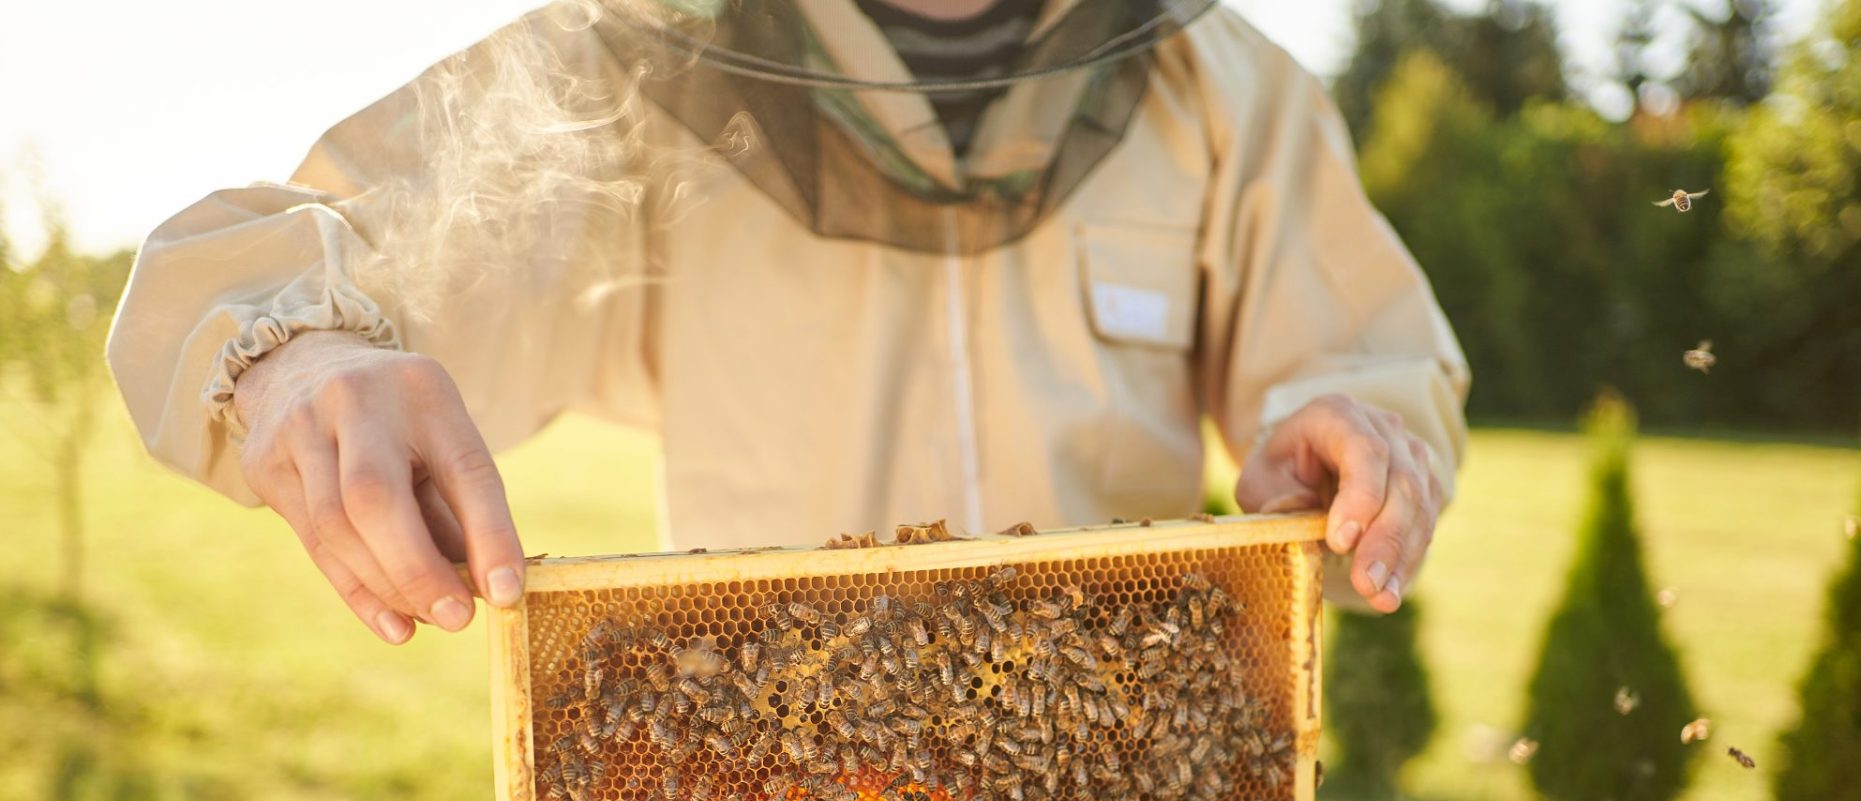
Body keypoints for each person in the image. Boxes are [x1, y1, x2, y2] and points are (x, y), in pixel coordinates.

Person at [107, 0, 1467, 646]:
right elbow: (261, 260)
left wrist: (1354, 442)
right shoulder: (634, 62)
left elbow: (1361, 355)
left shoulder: (1225, 87)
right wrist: (297, 354)